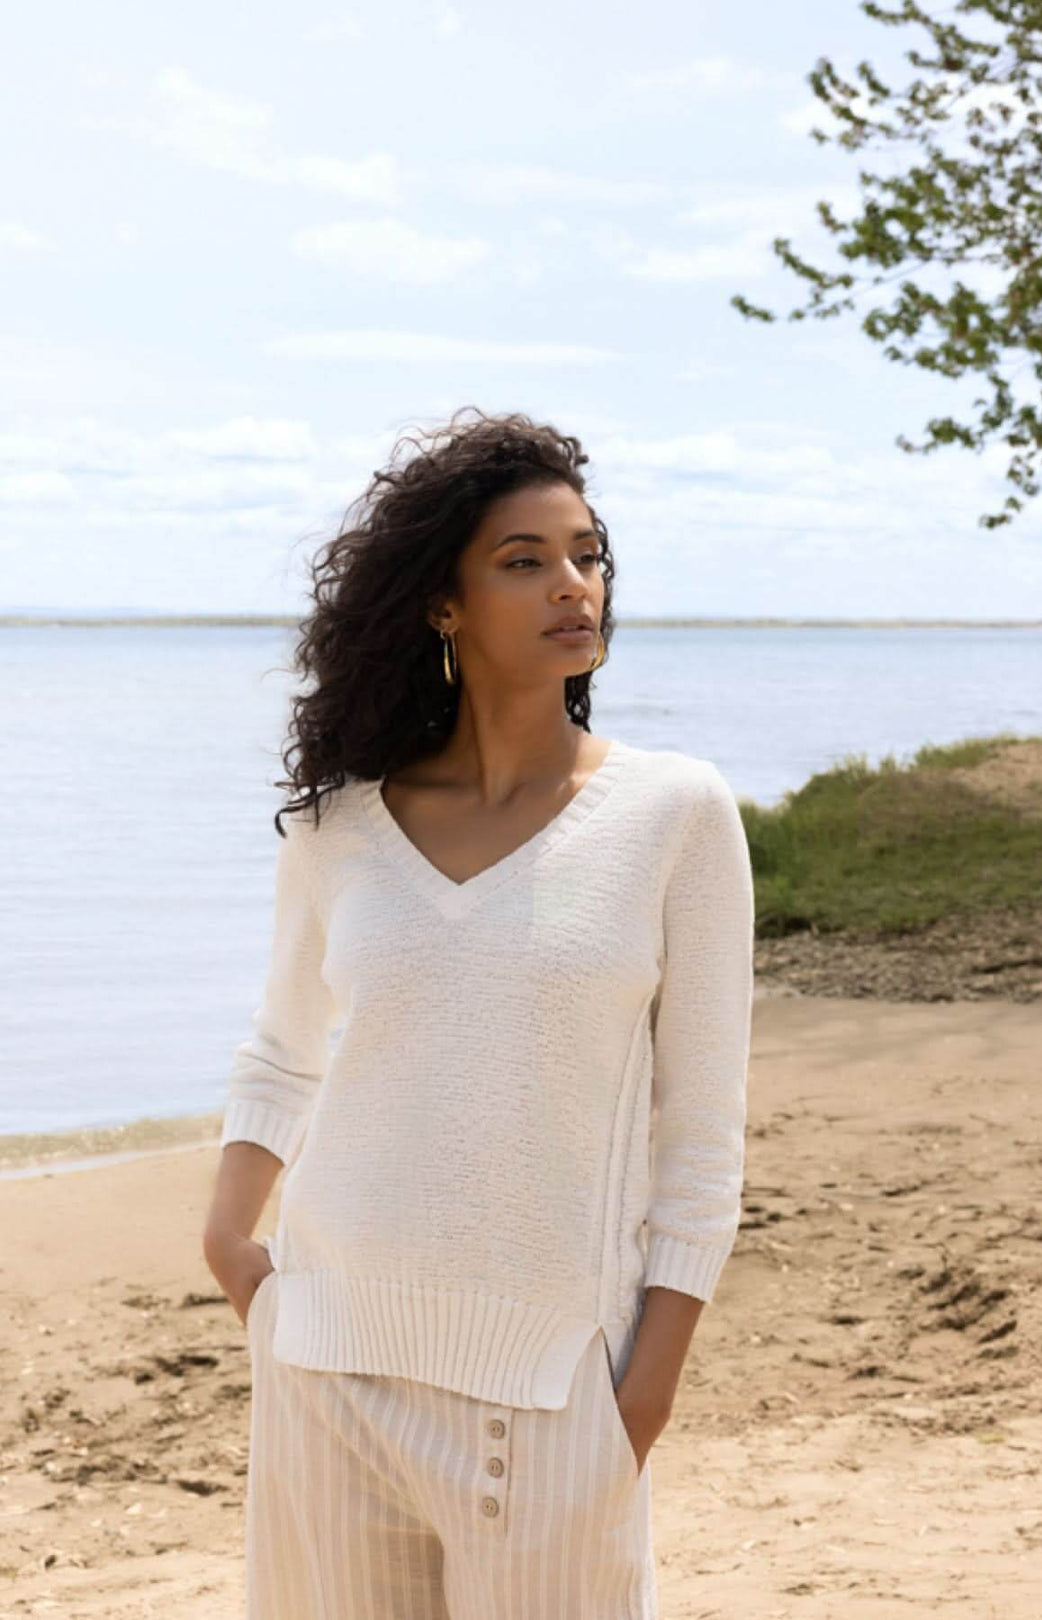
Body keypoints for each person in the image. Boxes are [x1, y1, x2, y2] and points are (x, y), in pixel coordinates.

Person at [202, 405, 756, 1619]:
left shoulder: (676, 815)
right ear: (443, 604)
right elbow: (283, 1052)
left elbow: (702, 1141)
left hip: (556, 1392)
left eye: (589, 554)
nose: (575, 585)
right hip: (325, 1363)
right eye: (527, 561)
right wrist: (232, 1241)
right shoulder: (338, 828)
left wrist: (642, 1397)